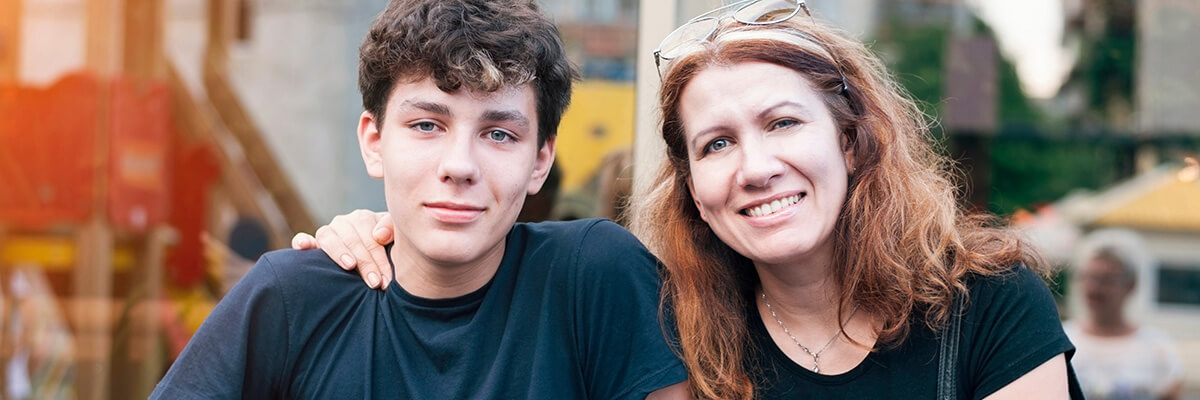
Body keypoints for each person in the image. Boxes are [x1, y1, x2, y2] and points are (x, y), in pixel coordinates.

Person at [296, 0, 1085, 398]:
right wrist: (380, 236)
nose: (756, 166)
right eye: (716, 145)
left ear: (851, 140)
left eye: (782, 123)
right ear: (695, 191)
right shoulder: (670, 322)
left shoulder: (986, 303)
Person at [151, 0, 688, 398]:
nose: (459, 166)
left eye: (499, 133)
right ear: (374, 141)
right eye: (428, 124)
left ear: (541, 161)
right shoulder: (291, 299)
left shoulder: (592, 276)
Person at [1064, 230, 1184, 400]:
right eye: (1087, 278)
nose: (1093, 289)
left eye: (1106, 280)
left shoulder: (1158, 347)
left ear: (1131, 284)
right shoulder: (1062, 341)